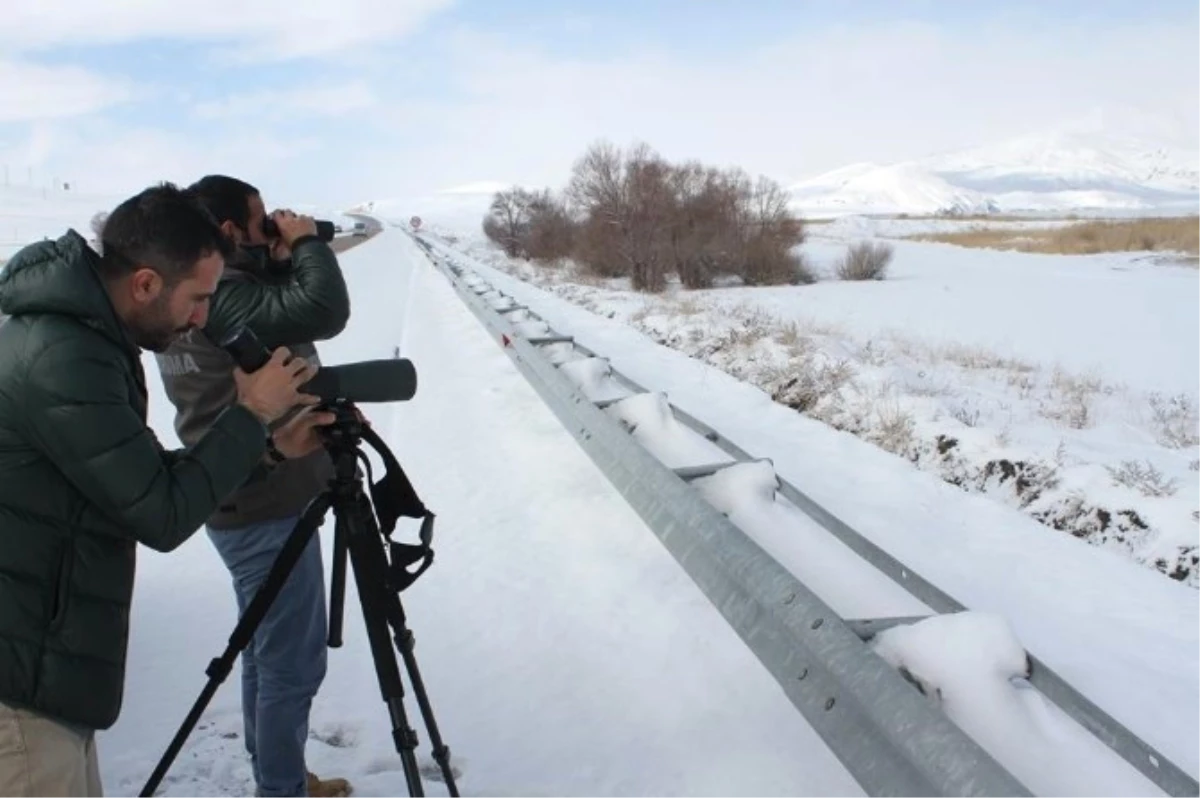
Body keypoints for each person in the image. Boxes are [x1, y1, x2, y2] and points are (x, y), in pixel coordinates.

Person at [0, 182, 335, 797]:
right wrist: (252, 413)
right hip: (19, 684)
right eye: (199, 298)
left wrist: (266, 448)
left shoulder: (85, 339)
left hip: (41, 668)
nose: (204, 318)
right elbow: (160, 514)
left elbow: (146, 476)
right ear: (147, 284)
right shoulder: (62, 356)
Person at [153, 175, 353, 798]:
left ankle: (278, 773)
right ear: (232, 232)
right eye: (261, 220)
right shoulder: (228, 296)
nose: (272, 228)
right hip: (264, 499)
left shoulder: (203, 293)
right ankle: (281, 788)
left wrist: (278, 254)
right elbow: (323, 309)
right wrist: (303, 246)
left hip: (243, 493)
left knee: (264, 649)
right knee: (291, 665)